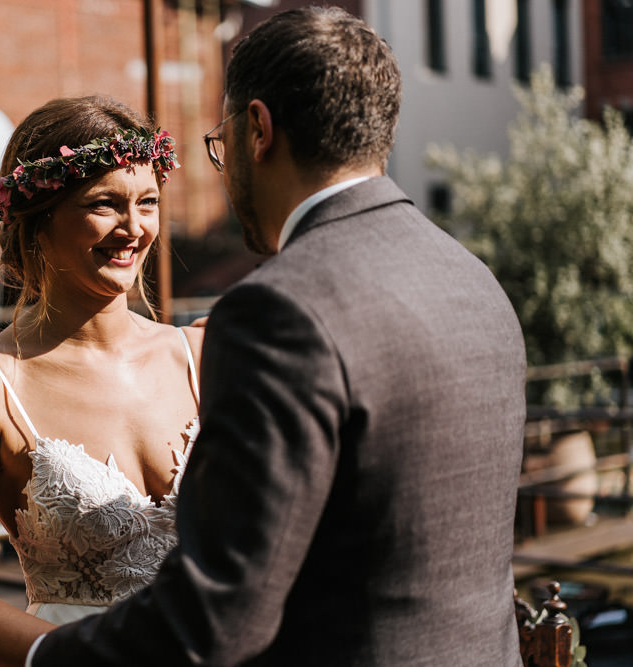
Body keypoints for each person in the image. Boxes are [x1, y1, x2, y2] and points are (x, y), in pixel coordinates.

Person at [28, 7, 527, 666]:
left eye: (221, 141)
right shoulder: (474, 282)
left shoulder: (278, 310)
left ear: (258, 130)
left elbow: (219, 615)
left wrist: (45, 657)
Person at [0, 95, 203, 666]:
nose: (134, 228)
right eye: (104, 204)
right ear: (37, 221)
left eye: (147, 202)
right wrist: (86, 654)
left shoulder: (204, 355)